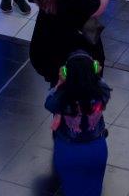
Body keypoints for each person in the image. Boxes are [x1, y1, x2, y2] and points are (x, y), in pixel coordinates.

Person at [45, 49, 112, 196]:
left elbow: (49, 103)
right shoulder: (101, 91)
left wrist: (60, 83)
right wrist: (95, 75)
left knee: (71, 188)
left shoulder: (62, 96)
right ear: (93, 69)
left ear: (66, 72)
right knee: (94, 189)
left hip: (68, 149)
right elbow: (104, 90)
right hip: (96, 148)